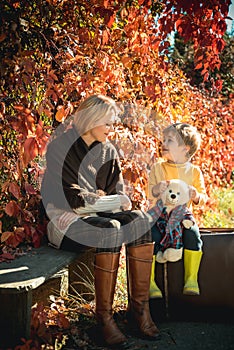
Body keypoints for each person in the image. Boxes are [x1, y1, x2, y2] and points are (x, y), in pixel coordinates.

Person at [41, 94, 159, 347]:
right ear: (92, 120)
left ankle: (139, 309)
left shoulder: (108, 150)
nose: (112, 128)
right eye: (108, 123)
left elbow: (117, 198)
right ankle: (103, 318)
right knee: (111, 227)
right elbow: (74, 201)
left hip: (95, 219)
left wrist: (101, 200)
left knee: (139, 219)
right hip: (62, 223)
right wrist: (102, 200)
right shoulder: (61, 147)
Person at [147, 123, 207, 298]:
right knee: (150, 238)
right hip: (160, 216)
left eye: (169, 141)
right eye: (163, 140)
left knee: (193, 236)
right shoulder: (158, 168)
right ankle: (150, 283)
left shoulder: (194, 172)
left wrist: (196, 196)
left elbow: (202, 198)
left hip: (182, 218)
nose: (163, 143)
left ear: (185, 148)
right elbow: (149, 193)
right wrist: (157, 189)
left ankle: (191, 279)